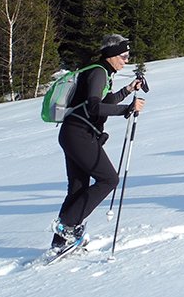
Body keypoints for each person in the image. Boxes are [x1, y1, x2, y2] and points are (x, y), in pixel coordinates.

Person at [52, 34, 146, 252]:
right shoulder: (98, 73)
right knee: (109, 179)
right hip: (79, 134)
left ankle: (60, 242)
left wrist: (128, 90)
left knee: (77, 188)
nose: (126, 60)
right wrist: (128, 109)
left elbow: (104, 102)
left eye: (128, 55)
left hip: (74, 133)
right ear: (112, 55)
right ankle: (67, 225)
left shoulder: (101, 71)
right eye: (123, 55)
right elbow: (95, 107)